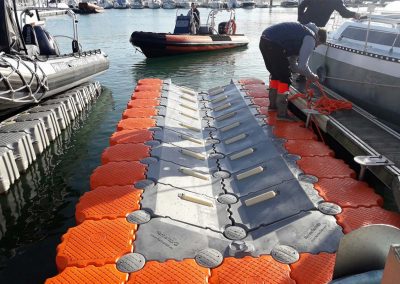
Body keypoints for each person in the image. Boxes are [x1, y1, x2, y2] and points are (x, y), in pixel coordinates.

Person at [259, 22, 327, 120]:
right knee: (285, 79)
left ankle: (272, 107)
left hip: (264, 39)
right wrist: (312, 76)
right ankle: (282, 114)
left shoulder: (301, 34)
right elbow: (302, 66)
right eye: (319, 44)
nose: (316, 47)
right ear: (319, 38)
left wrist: (303, 73)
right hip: (274, 44)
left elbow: (293, 64)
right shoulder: (311, 39)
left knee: (276, 75)